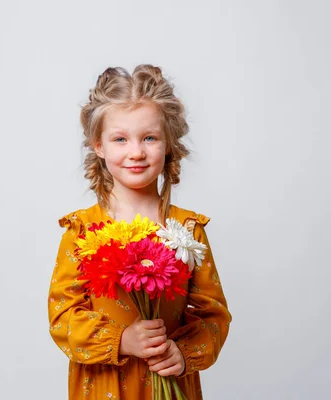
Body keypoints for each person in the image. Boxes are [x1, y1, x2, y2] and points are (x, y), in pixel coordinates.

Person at [47, 64, 231, 399]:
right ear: (98, 145)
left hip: (169, 384)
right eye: (120, 139)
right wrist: (122, 341)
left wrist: (184, 353)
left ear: (168, 143)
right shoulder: (82, 231)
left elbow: (214, 315)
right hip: (105, 386)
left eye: (149, 138)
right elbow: (62, 318)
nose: (136, 152)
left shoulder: (187, 231)